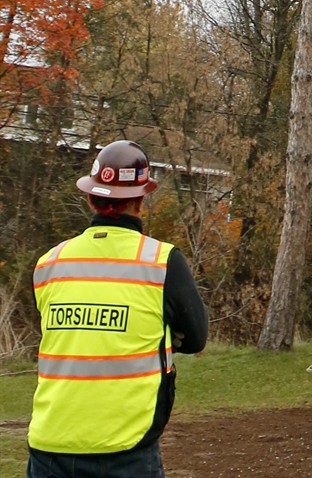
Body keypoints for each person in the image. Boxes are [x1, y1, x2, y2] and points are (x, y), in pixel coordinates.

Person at [28, 138, 209, 478]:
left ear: (90, 197)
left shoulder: (48, 264)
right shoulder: (162, 263)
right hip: (125, 450)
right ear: (141, 200)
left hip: (49, 446)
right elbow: (196, 337)